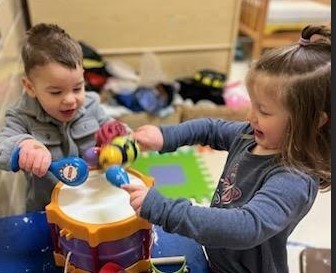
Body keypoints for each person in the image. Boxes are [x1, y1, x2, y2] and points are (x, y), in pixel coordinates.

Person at [122, 25, 331, 273]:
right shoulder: (250, 135)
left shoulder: (293, 178)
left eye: (263, 111)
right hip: (217, 258)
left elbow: (246, 227)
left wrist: (165, 209)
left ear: (313, 120)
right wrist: (165, 136)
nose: (250, 116)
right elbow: (210, 128)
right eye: (253, 104)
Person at [0, 23, 129, 212]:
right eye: (56, 92)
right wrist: (24, 145)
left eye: (77, 88)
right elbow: (3, 146)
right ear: (30, 87)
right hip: (49, 210)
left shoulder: (92, 105)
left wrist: (121, 139)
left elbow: (116, 132)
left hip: (94, 202)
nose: (70, 100)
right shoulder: (21, 116)